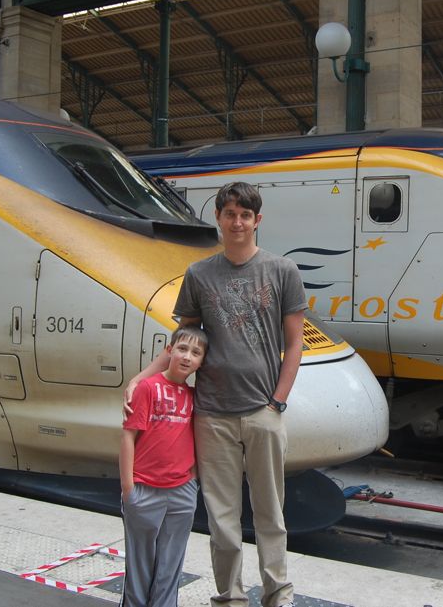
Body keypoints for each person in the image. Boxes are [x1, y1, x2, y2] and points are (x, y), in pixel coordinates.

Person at [125, 181, 305, 607]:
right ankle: (230, 596)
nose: (237, 222)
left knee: (270, 513)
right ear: (219, 220)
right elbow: (183, 339)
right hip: (210, 415)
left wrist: (277, 401)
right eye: (230, 214)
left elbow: (295, 342)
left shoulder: (283, 271)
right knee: (222, 518)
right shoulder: (199, 274)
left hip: (263, 410)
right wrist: (142, 377)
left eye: (245, 215)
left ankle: (277, 593)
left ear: (257, 221)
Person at [120, 325, 207, 607]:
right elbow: (129, 436)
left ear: (201, 362)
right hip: (143, 490)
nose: (187, 357)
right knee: (139, 563)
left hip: (181, 492)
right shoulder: (148, 387)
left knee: (171, 564)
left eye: (196, 353)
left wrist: (192, 479)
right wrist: (128, 488)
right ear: (169, 352)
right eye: (182, 349)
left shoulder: (195, 398)